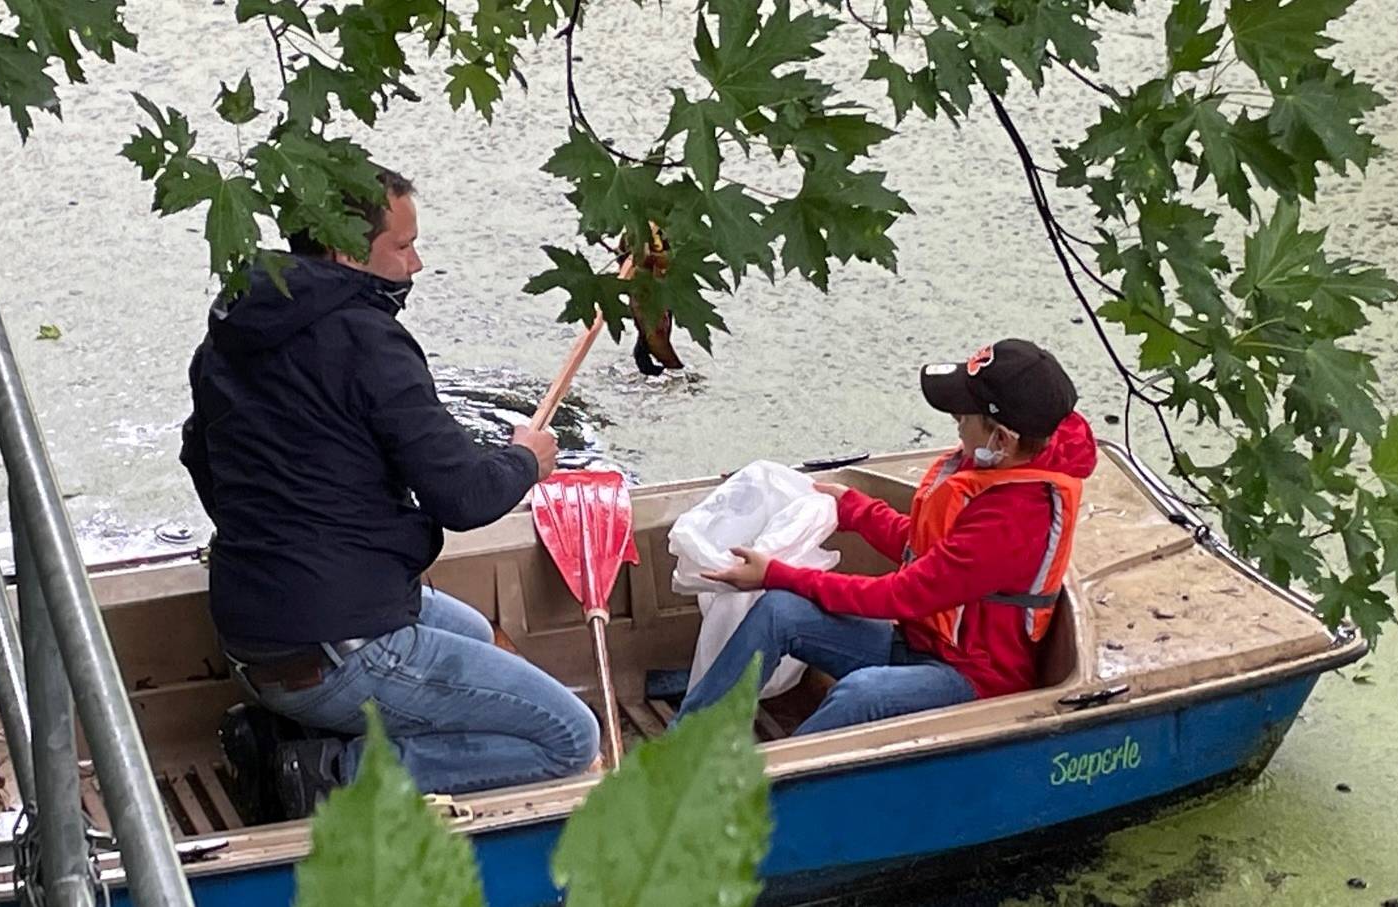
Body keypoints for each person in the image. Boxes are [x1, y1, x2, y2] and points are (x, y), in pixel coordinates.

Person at [180, 169, 598, 816]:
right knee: (571, 736)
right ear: (348, 250)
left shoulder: (229, 335)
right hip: (337, 646)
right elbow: (460, 495)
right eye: (403, 247)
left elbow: (198, 456)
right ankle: (332, 774)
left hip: (252, 631)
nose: (416, 262)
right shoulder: (367, 340)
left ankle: (284, 734)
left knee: (477, 634)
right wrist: (526, 461)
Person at [675, 338, 1096, 734]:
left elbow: (900, 595)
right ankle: (689, 743)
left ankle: (769, 788)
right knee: (779, 611)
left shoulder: (1014, 521)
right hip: (920, 643)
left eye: (963, 418)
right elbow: (925, 551)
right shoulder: (995, 467)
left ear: (1001, 438)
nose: (956, 425)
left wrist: (774, 573)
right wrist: (853, 508)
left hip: (972, 679)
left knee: (861, 695)